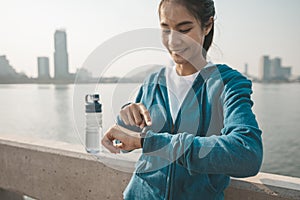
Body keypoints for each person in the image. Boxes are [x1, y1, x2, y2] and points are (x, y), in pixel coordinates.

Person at [102, 0, 263, 199]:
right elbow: (126, 141)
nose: (172, 42)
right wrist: (126, 117)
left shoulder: (228, 84)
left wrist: (153, 143)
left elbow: (247, 154)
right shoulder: (153, 82)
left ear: (208, 25)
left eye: (184, 29)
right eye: (165, 29)